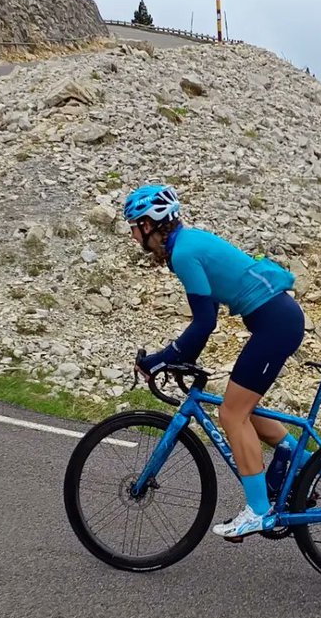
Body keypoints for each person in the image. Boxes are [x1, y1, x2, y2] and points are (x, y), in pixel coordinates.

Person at [125, 183, 310, 539]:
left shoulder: (182, 253)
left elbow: (204, 322)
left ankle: (258, 511)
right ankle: (296, 458)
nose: (133, 236)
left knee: (231, 414)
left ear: (150, 224)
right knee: (241, 406)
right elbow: (207, 310)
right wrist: (179, 358)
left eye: (134, 226)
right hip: (276, 319)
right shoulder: (189, 243)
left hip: (275, 323)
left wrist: (162, 359)